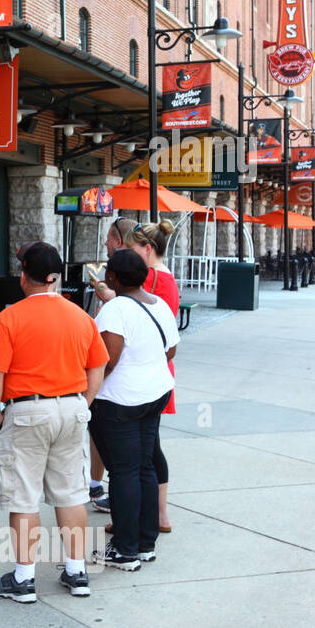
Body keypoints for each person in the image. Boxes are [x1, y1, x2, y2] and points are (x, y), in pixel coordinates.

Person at [0, 242, 109, 602]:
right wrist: (84, 403)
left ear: (23, 276)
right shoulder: (81, 316)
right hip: (71, 408)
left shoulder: (10, 317)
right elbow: (98, 364)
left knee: (23, 496)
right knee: (71, 494)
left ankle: (23, 579)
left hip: (27, 411)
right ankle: (77, 571)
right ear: (56, 278)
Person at [89, 249, 180, 571]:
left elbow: (106, 362)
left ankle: (125, 549)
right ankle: (145, 543)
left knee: (124, 471)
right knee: (144, 466)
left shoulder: (114, 310)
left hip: (120, 401)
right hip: (155, 393)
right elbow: (170, 349)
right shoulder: (160, 305)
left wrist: (86, 395)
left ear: (112, 277)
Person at [130, 220, 180, 533]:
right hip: (156, 372)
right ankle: (153, 513)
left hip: (150, 373)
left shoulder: (152, 279)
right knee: (148, 445)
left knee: (146, 447)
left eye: (132, 249)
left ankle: (156, 514)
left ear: (147, 249)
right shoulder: (164, 278)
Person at [87, 215, 139, 510]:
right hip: (133, 387)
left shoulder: (118, 296)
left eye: (109, 237)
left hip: (117, 386)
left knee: (123, 456)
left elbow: (109, 356)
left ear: (119, 241)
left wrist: (91, 383)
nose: (105, 242)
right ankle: (97, 487)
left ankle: (125, 525)